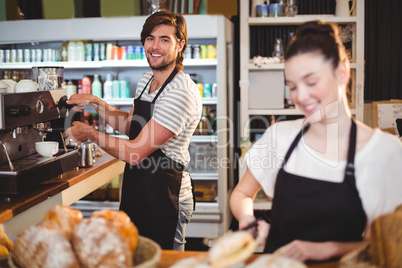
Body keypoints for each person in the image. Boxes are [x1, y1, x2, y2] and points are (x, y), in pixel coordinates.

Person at [230, 20, 402, 262]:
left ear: (342, 72)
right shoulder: (280, 137)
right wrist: (248, 220)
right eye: (292, 86)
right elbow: (242, 194)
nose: (300, 96)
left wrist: (330, 248)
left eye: (311, 82)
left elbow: (390, 243)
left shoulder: (385, 152)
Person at [64, 11, 202, 251]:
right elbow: (130, 124)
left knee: (162, 263)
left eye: (164, 39)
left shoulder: (180, 92)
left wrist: (90, 134)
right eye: (150, 38)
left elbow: (136, 152)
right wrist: (96, 102)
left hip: (166, 195)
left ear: (180, 45)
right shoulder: (147, 79)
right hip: (139, 189)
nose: (155, 46)